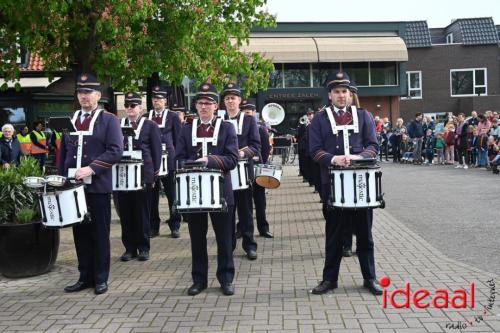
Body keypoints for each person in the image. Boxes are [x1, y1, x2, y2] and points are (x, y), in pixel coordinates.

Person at [309, 71, 382, 296]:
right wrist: (334, 159)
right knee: (333, 237)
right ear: (330, 95)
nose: (342, 95)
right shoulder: (319, 119)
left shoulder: (364, 116)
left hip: (360, 184)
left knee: (365, 236)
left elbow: (373, 146)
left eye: (345, 91)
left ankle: (370, 278)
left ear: (350, 95)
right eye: (337, 92)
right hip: (333, 185)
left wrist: (358, 157)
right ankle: (329, 280)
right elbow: (314, 151)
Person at [59, 73, 124, 295]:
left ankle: (100, 278)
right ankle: (84, 276)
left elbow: (116, 151)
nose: (84, 96)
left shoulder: (109, 120)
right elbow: (64, 151)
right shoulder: (72, 118)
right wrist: (61, 179)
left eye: (88, 93)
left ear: (98, 95)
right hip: (75, 187)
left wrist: (92, 168)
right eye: (80, 92)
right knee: (80, 233)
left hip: (97, 186)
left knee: (99, 232)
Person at [175, 82, 239, 296]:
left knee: (224, 238)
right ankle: (199, 279)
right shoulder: (186, 129)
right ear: (196, 106)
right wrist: (191, 163)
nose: (204, 107)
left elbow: (232, 159)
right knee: (197, 239)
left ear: (216, 106)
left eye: (208, 103)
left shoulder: (227, 127)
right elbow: (178, 158)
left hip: (220, 192)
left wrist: (209, 160)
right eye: (200, 103)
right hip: (194, 193)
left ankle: (226, 278)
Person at [117, 92, 162, 262]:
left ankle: (143, 247)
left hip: (143, 174)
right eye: (127, 105)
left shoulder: (150, 125)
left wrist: (154, 172)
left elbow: (156, 150)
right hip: (123, 174)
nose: (130, 108)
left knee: (142, 212)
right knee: (126, 213)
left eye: (133, 105)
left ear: (141, 108)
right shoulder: (119, 123)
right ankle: (129, 248)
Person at [222, 83, 261, 260]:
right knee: (227, 212)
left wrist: (243, 152)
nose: (230, 101)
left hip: (243, 170)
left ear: (239, 101)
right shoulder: (219, 120)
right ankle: (228, 245)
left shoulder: (249, 120)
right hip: (225, 172)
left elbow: (256, 146)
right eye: (227, 98)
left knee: (245, 212)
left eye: (233, 98)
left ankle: (249, 245)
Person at [147, 85, 180, 238]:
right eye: (154, 99)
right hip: (151, 161)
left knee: (172, 194)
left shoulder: (173, 116)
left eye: (159, 99)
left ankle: (175, 225)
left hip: (170, 161)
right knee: (152, 196)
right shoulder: (146, 116)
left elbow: (178, 138)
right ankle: (154, 226)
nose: (156, 101)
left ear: (165, 101)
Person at [242, 98, 273, 238]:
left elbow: (265, 149)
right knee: (243, 202)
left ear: (254, 112)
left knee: (260, 200)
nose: (246, 114)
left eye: (248, 112)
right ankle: (241, 228)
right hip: (243, 169)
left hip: (258, 167)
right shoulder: (238, 127)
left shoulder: (261, 128)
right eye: (244, 112)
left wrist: (262, 164)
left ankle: (263, 228)